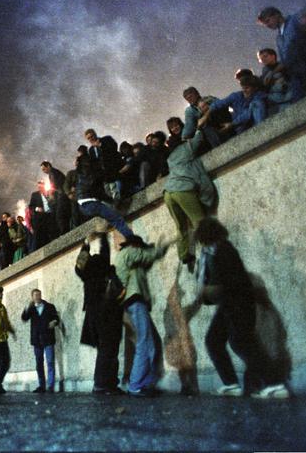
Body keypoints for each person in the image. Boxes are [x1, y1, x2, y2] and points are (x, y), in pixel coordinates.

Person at [194, 218, 290, 399]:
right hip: (228, 305)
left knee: (241, 342)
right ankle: (231, 384)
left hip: (239, 304)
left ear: (206, 234)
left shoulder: (224, 250)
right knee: (213, 340)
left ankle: (274, 384)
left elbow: (232, 283)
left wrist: (209, 289)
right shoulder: (211, 253)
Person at [114, 234, 172, 397]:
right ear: (136, 245)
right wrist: (161, 248)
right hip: (135, 301)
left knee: (152, 342)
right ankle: (136, 384)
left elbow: (147, 260)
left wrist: (156, 250)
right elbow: (149, 255)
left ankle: (146, 382)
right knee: (145, 342)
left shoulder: (131, 260)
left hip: (135, 302)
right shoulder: (129, 252)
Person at [74, 221, 124, 395]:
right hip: (107, 310)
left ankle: (104, 384)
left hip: (93, 312)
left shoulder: (85, 273)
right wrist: (102, 235)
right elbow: (105, 251)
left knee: (105, 349)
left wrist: (85, 245)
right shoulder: (103, 266)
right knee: (110, 348)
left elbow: (79, 265)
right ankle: (105, 384)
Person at [162, 130, 216, 271]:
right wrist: (198, 128)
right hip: (182, 189)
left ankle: (185, 255)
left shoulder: (169, 158)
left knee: (181, 226)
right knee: (199, 221)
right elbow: (199, 138)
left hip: (168, 193)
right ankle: (209, 249)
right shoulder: (186, 148)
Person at [75, 154, 134, 239]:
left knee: (107, 215)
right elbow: (99, 192)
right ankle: (133, 240)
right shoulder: (94, 172)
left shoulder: (80, 173)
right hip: (91, 203)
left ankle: (101, 230)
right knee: (116, 219)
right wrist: (112, 200)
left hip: (82, 206)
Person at [21, 289, 60, 393]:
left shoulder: (49, 306)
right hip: (36, 340)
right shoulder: (31, 308)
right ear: (32, 297)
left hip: (48, 338)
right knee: (39, 363)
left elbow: (57, 318)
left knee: (50, 362)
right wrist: (27, 307)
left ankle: (50, 386)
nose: (38, 297)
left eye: (39, 295)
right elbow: (24, 318)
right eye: (35, 295)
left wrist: (54, 322)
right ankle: (41, 386)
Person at [84, 128, 123, 203]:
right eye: (88, 138)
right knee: (107, 189)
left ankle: (118, 201)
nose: (91, 139)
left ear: (95, 134)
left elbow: (114, 148)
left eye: (91, 136)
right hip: (103, 173)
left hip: (113, 168)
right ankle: (113, 202)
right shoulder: (91, 150)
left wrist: (100, 145)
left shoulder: (106, 139)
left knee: (116, 187)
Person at [257, 48, 293, 114]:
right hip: (276, 95)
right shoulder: (264, 74)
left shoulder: (285, 66)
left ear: (273, 56)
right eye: (261, 59)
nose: (263, 60)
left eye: (265, 56)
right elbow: (264, 86)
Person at [41, 161, 70, 236]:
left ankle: (65, 232)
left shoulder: (53, 173)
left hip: (62, 196)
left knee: (60, 215)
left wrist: (51, 192)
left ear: (48, 166)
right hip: (62, 195)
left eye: (44, 169)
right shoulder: (53, 173)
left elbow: (55, 185)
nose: (44, 171)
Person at [29, 181, 58, 250]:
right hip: (40, 218)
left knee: (52, 232)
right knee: (40, 236)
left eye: (41, 186)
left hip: (50, 215)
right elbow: (31, 206)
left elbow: (54, 201)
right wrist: (37, 208)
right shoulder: (35, 194)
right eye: (39, 187)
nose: (40, 188)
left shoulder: (49, 193)